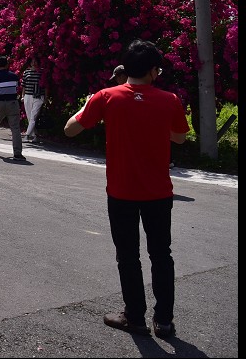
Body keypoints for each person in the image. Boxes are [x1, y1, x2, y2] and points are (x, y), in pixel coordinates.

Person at [64, 39, 189, 339]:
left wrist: (88, 103)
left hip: (121, 192)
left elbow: (70, 129)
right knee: (162, 255)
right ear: (153, 71)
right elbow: (180, 138)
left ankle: (134, 317)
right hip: (159, 192)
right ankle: (165, 321)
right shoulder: (169, 99)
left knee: (128, 256)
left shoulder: (107, 97)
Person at [0, 56, 25, 161]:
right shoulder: (14, 76)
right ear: (7, 64)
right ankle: (17, 153)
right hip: (12, 102)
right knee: (15, 128)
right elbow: (16, 88)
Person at [21, 56, 47, 144]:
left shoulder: (41, 72)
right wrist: (22, 95)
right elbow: (23, 85)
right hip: (28, 95)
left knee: (33, 116)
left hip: (38, 96)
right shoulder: (26, 72)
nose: (33, 63)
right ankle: (35, 136)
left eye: (35, 61)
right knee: (29, 116)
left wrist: (46, 98)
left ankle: (27, 135)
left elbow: (45, 86)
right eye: (32, 61)